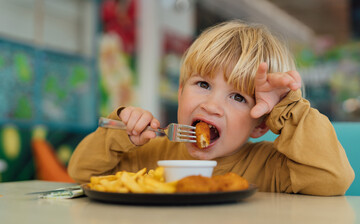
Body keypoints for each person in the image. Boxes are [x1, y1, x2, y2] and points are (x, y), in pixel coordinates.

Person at [68, 20, 354, 195]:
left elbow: (333, 180)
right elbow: (81, 172)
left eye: (239, 97)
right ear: (180, 94)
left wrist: (286, 108)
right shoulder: (150, 153)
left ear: (261, 124)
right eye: (203, 85)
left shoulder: (272, 167)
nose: (212, 105)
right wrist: (120, 135)